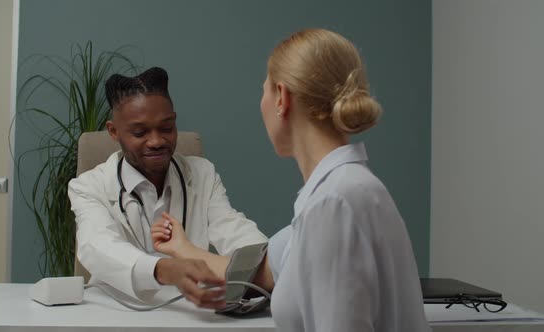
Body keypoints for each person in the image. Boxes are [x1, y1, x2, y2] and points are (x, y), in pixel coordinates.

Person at [151, 29, 430, 331]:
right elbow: (258, 268)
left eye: (264, 91)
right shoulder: (341, 192)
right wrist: (183, 248)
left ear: (282, 97)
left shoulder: (333, 204)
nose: (262, 104)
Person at [67, 67, 267, 309]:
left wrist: (269, 264)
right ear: (114, 131)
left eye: (166, 128)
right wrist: (166, 270)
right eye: (140, 132)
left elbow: (233, 229)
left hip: (190, 310)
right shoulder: (88, 186)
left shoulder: (202, 174)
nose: (156, 141)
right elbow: (97, 245)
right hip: (118, 311)